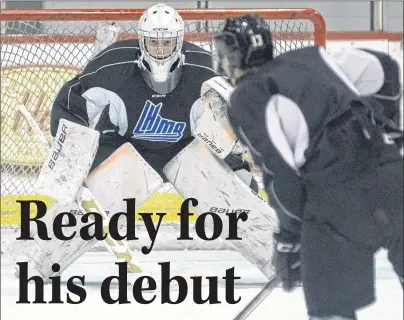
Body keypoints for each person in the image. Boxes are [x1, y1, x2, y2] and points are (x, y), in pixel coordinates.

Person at [211, 13, 403, 320]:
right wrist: (389, 126)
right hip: (395, 179)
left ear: (232, 54)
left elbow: (280, 176)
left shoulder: (246, 97)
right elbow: (385, 67)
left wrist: (289, 238)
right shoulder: (313, 57)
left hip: (337, 204)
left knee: (332, 311)